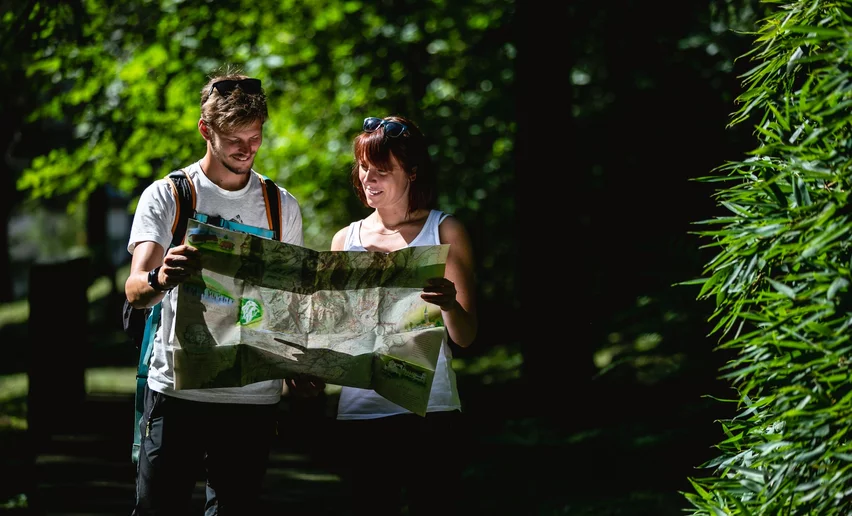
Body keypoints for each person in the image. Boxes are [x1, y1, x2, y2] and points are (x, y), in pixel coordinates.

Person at [124, 70, 304, 515]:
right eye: (235, 140)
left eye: (255, 137)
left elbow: (291, 302)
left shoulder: (280, 205)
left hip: (252, 397)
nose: (248, 149)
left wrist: (302, 364)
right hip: (178, 391)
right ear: (206, 131)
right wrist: (160, 277)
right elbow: (135, 289)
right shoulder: (169, 196)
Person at [330, 115, 478, 516]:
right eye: (363, 167)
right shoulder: (346, 240)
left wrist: (449, 304)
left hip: (430, 410)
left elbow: (466, 336)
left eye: (382, 169)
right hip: (361, 410)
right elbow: (338, 334)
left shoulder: (443, 231)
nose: (368, 178)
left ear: (412, 172)